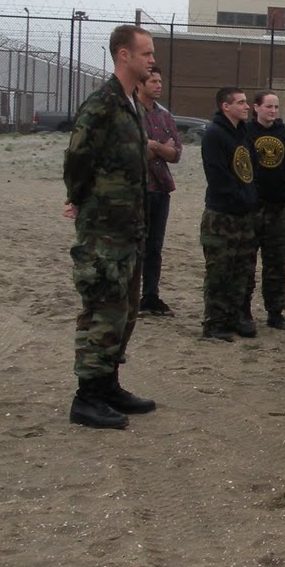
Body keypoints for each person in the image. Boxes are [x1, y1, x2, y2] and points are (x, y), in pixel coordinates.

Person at [63, 23, 160, 429]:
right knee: (102, 308)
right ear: (123, 55)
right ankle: (87, 396)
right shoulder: (102, 105)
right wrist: (87, 203)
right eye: (146, 54)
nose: (153, 61)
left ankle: (108, 384)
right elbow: (77, 161)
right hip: (104, 229)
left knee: (124, 310)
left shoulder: (129, 105)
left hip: (128, 228)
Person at [199, 86, 259, 340]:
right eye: (241, 102)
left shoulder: (243, 134)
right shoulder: (214, 135)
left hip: (244, 214)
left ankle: (236, 316)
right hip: (222, 215)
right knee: (220, 271)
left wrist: (251, 198)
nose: (247, 106)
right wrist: (241, 198)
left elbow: (249, 170)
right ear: (226, 106)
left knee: (242, 269)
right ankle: (214, 323)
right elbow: (219, 177)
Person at [244, 91, 285, 330]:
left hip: (278, 207)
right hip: (252, 207)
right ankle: (243, 309)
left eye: (276, 107)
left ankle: (275, 311)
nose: (273, 111)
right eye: (268, 106)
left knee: (277, 262)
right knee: (247, 262)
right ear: (256, 108)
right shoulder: (246, 133)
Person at [138, 69, 182, 317]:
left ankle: (151, 295)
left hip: (160, 189)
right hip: (138, 189)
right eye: (153, 81)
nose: (158, 85)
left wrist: (151, 146)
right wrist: (157, 146)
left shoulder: (165, 117)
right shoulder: (131, 113)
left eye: (160, 81)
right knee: (136, 245)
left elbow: (175, 153)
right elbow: (134, 150)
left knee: (155, 246)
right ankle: (130, 296)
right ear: (140, 84)